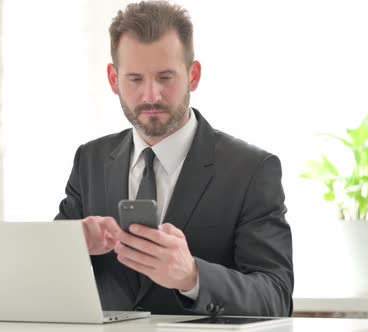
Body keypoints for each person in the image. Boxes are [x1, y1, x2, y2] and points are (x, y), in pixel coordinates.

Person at [55, 0, 293, 317]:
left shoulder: (251, 170)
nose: (150, 95)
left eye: (165, 77)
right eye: (135, 79)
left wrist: (192, 276)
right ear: (114, 80)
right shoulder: (90, 160)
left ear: (193, 76)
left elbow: (276, 298)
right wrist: (73, 247)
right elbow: (47, 278)